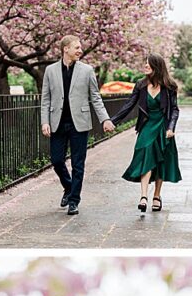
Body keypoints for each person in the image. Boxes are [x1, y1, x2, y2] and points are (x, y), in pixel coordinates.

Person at [40, 37, 114, 218]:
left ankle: (74, 200)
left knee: (78, 164)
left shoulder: (87, 70)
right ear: (66, 49)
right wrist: (45, 121)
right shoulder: (50, 70)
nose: (80, 50)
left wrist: (105, 119)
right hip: (57, 122)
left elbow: (95, 97)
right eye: (77, 47)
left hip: (79, 123)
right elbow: (46, 98)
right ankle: (68, 186)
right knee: (57, 160)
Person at [122, 53, 181, 215]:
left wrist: (171, 127)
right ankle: (143, 197)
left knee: (160, 161)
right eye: (145, 63)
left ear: (157, 67)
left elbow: (174, 109)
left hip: (163, 126)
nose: (145, 66)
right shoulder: (140, 85)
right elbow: (129, 105)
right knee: (144, 155)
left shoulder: (169, 86)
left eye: (148, 64)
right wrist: (112, 121)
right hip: (147, 126)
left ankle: (156, 195)